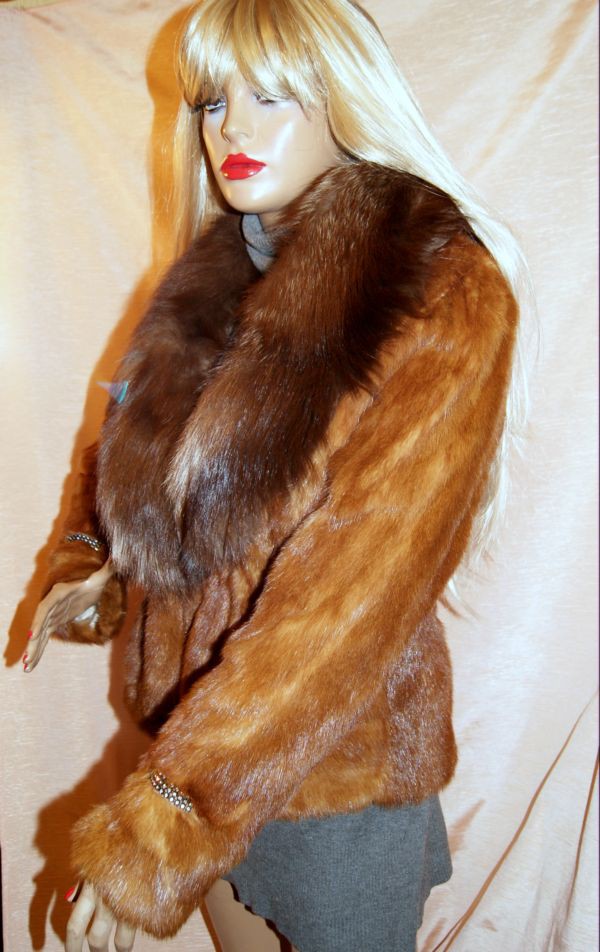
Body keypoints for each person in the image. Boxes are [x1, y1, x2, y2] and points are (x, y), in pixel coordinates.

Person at [25, 1, 527, 950]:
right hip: (190, 748)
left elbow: (352, 595)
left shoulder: (436, 290)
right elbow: (129, 444)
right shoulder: (210, 281)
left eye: (271, 95)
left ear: (343, 97)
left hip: (328, 782)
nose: (232, 130)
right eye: (213, 102)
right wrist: (93, 559)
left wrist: (168, 818)